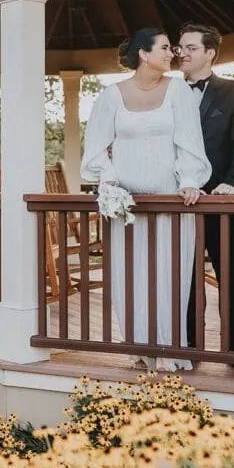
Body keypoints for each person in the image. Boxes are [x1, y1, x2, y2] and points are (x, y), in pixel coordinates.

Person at [80, 28, 211, 372]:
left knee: (169, 275)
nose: (172, 54)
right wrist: (109, 181)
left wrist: (190, 181)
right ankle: (140, 346)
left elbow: (190, 141)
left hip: (171, 204)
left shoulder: (178, 91)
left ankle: (168, 349)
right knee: (131, 275)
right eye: (165, 48)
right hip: (127, 208)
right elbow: (95, 148)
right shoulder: (111, 96)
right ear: (143, 53)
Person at [177, 23, 234, 368]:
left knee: (231, 276)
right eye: (179, 47)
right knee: (186, 277)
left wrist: (233, 184)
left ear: (209, 53)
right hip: (180, 202)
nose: (182, 53)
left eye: (190, 47)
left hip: (221, 201)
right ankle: (190, 345)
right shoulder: (168, 92)